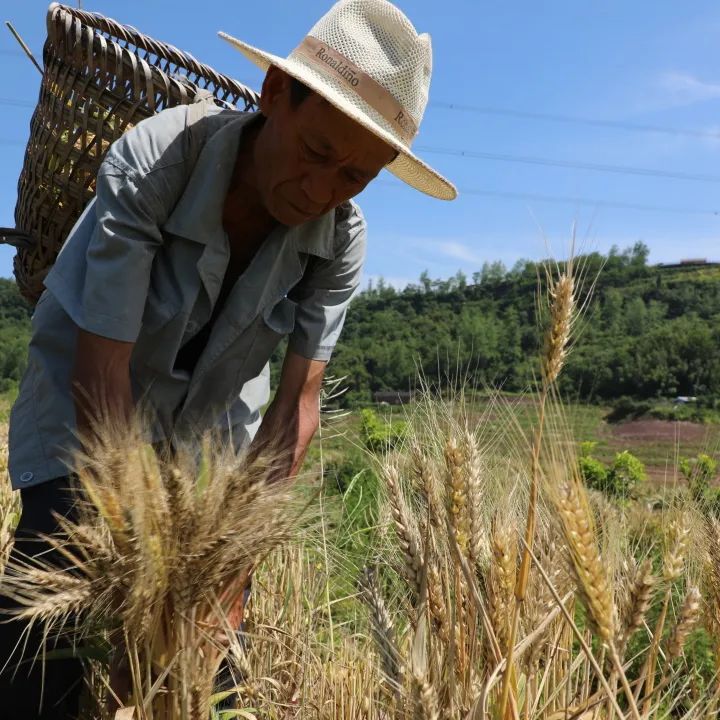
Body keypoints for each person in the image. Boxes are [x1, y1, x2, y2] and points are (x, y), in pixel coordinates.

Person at [0, 0, 456, 716]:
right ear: (275, 94)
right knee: (41, 658)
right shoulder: (157, 159)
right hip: (82, 423)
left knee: (207, 683)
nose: (321, 192)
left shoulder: (341, 238)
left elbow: (294, 413)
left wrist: (227, 575)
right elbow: (101, 374)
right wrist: (139, 579)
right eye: (315, 154)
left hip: (203, 449)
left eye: (354, 178)